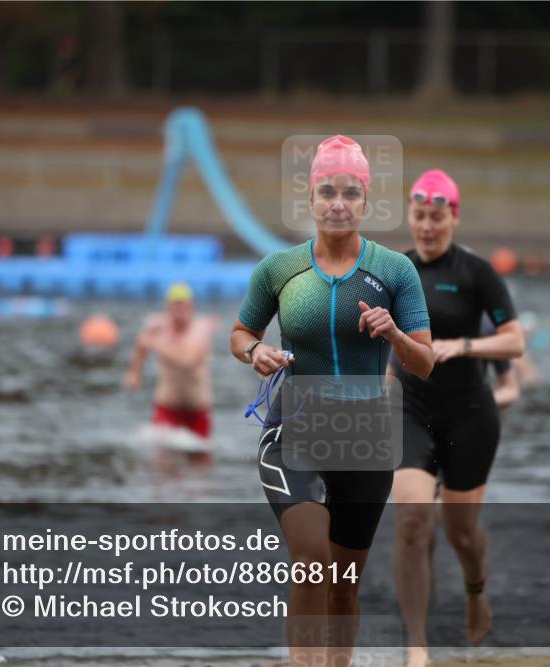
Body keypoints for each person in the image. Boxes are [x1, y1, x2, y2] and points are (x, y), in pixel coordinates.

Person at [230, 135, 434, 667]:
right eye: (327, 192)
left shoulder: (395, 272)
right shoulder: (279, 269)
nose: (338, 203)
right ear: (311, 199)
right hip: (294, 431)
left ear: (365, 200)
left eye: (349, 193)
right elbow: (239, 332)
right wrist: (255, 352)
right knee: (312, 561)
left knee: (344, 586)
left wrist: (392, 334)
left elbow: (425, 362)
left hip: (365, 439)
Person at [389, 169, 524, 667]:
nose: (427, 227)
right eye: (419, 216)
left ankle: (474, 589)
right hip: (410, 406)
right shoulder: (394, 270)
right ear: (410, 215)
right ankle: (416, 647)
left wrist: (464, 346)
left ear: (454, 217)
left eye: (437, 217)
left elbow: (515, 340)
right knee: (410, 520)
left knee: (459, 533)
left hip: (469, 413)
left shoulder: (476, 272)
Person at [124, 282, 218, 466]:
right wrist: (134, 372)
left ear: (192, 307)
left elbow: (188, 362)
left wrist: (155, 344)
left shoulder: (200, 331)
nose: (179, 310)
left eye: (184, 305)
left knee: (200, 468)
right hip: (167, 407)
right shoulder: (157, 327)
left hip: (197, 410)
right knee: (162, 467)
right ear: (168, 307)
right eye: (175, 305)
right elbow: (141, 343)